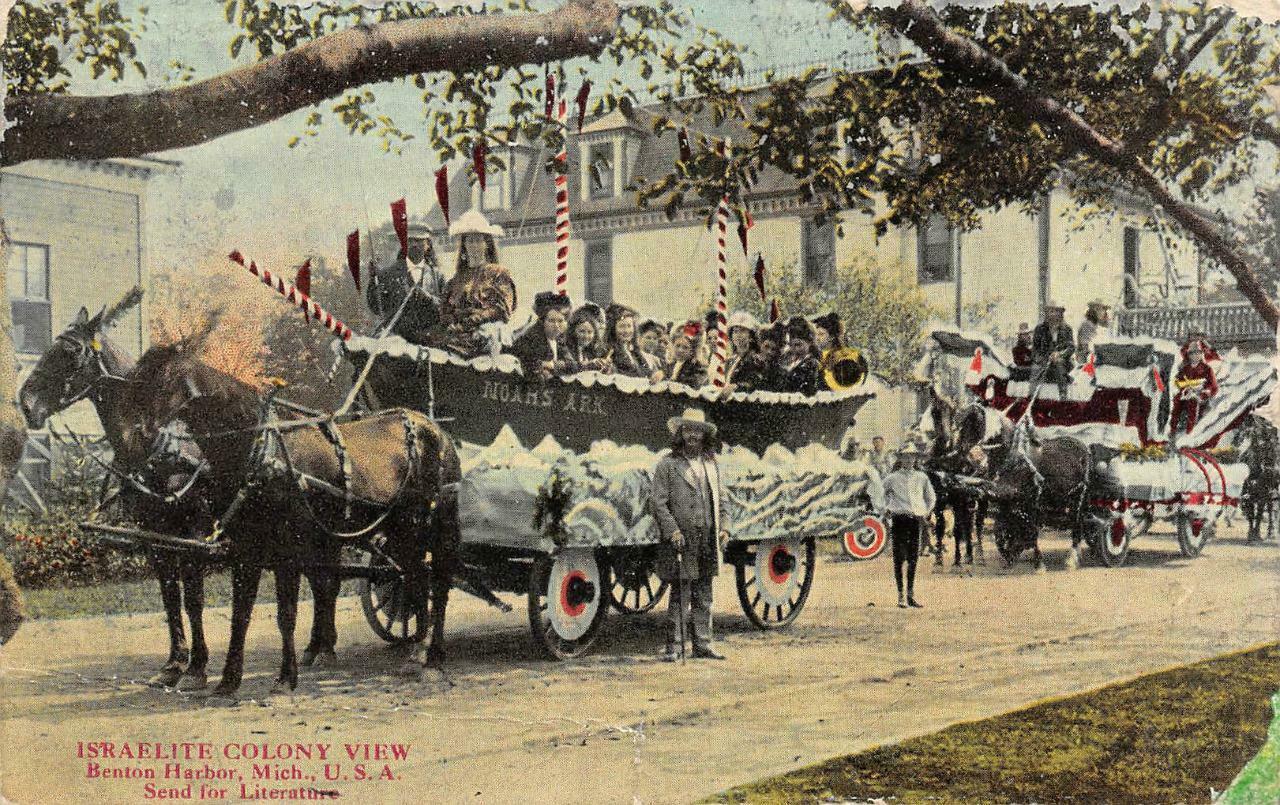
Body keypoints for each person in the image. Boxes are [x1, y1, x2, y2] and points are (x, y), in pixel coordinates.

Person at [650, 407, 729, 661]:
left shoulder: (711, 465)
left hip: (707, 537)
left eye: (697, 430)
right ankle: (674, 646)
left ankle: (703, 644)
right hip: (681, 540)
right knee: (681, 593)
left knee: (705, 593)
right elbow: (658, 503)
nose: (692, 435)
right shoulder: (668, 465)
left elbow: (723, 501)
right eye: (688, 430)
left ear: (705, 435)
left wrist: (725, 528)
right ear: (681, 434)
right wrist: (672, 530)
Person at [437, 209, 518, 356]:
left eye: (478, 240)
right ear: (464, 246)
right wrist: (451, 323)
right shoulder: (455, 280)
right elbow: (445, 309)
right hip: (458, 333)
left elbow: (502, 309)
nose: (474, 245)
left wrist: (472, 321)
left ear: (486, 244)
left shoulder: (498, 273)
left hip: (486, 332)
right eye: (470, 240)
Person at [365, 232, 446, 343]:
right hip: (398, 344)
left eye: (419, 241)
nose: (414, 245)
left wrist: (428, 298)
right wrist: (374, 282)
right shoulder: (388, 274)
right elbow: (377, 308)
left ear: (428, 245)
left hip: (430, 343)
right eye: (410, 241)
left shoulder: (437, 276)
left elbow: (446, 309)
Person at [882, 443, 935, 608]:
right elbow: (879, 494)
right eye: (905, 456)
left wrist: (926, 512)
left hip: (915, 520)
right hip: (899, 519)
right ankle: (900, 596)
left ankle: (911, 595)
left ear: (916, 459)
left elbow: (931, 497)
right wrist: (886, 510)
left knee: (913, 558)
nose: (909, 459)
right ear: (900, 459)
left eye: (912, 456)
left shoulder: (922, 477)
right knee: (899, 558)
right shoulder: (892, 478)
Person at [508, 292, 575, 381]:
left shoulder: (558, 339)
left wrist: (553, 365)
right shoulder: (531, 338)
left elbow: (572, 365)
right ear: (542, 321)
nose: (556, 325)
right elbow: (527, 364)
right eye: (551, 320)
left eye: (560, 320)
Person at [1170, 342, 1219, 436]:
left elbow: (1213, 386)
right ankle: (1172, 431)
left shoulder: (1207, 369)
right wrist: (1181, 388)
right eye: (1192, 353)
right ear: (1189, 355)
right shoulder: (1185, 369)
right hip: (1186, 393)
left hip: (1200, 394)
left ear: (1201, 354)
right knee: (1176, 402)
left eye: (1198, 353)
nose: (1195, 356)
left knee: (1193, 402)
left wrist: (1205, 392)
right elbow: (1178, 382)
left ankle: (1190, 432)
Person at [606, 303, 662, 381]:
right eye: (622, 326)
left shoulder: (635, 352)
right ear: (613, 329)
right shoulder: (610, 352)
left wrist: (656, 375)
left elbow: (647, 373)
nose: (626, 331)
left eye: (629, 326)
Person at [1032, 301, 1075, 397]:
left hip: (1063, 364)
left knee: (1059, 362)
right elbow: (1035, 351)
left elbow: (1071, 348)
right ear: (1046, 313)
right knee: (1034, 370)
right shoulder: (1039, 329)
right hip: (1044, 364)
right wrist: (1045, 358)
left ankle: (1063, 395)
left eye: (1056, 311)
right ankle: (1031, 398)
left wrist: (1059, 354)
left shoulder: (1067, 329)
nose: (1053, 314)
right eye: (1051, 311)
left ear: (1060, 313)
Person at [723, 311, 768, 391]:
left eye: (742, 331)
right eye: (735, 331)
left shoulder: (756, 360)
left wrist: (737, 387)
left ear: (751, 336)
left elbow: (755, 383)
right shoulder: (730, 361)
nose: (738, 335)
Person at [780, 317, 821, 395]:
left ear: (810, 342)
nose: (794, 349)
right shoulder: (788, 360)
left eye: (798, 344)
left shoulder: (812, 363)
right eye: (790, 345)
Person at [565, 305, 611, 372]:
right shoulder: (566, 349)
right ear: (573, 331)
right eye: (582, 331)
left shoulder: (590, 350)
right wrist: (588, 365)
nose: (586, 336)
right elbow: (570, 367)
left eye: (590, 332)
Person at [665, 323, 708, 387]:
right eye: (677, 346)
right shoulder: (670, 365)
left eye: (685, 347)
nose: (680, 350)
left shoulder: (697, 367)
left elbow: (694, 385)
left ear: (692, 351)